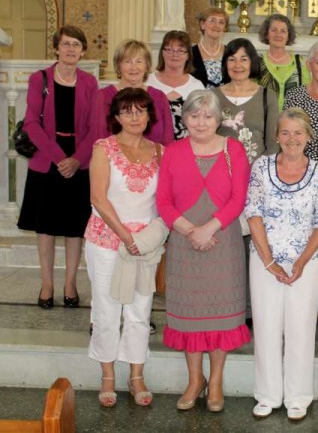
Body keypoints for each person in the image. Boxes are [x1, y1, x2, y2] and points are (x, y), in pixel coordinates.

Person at [156, 90, 250, 412]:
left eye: (207, 116)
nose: (200, 122)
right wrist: (190, 231)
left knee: (221, 319)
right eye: (194, 115)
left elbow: (239, 198)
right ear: (184, 118)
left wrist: (209, 228)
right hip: (184, 242)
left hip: (223, 241)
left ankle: (217, 382)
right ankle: (195, 380)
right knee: (190, 316)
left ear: (218, 119)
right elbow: (163, 202)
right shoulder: (172, 151)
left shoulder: (233, 150)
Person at [246, 108, 318, 421]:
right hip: (265, 262)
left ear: (308, 136)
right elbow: (253, 213)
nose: (291, 139)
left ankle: (298, 397)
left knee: (301, 329)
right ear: (277, 136)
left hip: (304, 265)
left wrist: (302, 261)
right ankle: (267, 395)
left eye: (298, 133)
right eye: (285, 132)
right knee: (267, 327)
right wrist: (269, 262)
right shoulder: (261, 166)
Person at [85, 88, 165, 408]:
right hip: (107, 241)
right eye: (127, 111)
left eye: (141, 111)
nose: (135, 117)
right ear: (116, 116)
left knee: (140, 311)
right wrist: (125, 237)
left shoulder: (161, 151)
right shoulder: (103, 149)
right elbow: (98, 198)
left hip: (145, 245)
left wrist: (144, 239)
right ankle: (107, 375)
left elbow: (165, 200)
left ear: (149, 115)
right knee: (106, 309)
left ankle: (136, 375)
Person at [18, 25, 98, 309]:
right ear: (56, 48)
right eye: (66, 44)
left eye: (76, 45)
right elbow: (31, 123)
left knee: (74, 229)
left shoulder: (89, 82)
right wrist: (58, 158)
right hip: (46, 161)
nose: (71, 49)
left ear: (83, 50)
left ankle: (70, 283)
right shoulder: (39, 79)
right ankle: (47, 283)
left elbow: (95, 127)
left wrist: (76, 159)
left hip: (79, 162)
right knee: (46, 228)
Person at [94, 39, 174, 145]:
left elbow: (168, 140)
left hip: (156, 159)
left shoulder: (159, 97)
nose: (134, 67)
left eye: (139, 61)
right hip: (114, 160)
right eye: (128, 61)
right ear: (118, 65)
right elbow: (99, 139)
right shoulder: (103, 96)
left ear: (147, 66)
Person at [215, 38, 279, 160]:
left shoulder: (267, 96)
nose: (237, 65)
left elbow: (273, 143)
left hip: (256, 172)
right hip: (220, 170)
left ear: (252, 63)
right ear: (225, 63)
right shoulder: (213, 96)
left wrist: (260, 172)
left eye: (243, 59)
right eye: (232, 59)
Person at [147, 30, 205, 140]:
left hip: (187, 147)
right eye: (169, 50)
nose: (174, 54)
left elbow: (202, 121)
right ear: (162, 53)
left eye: (181, 50)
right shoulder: (148, 82)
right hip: (152, 145)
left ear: (188, 55)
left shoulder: (196, 86)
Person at [258, 13, 311, 110]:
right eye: (274, 30)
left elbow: (307, 95)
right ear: (266, 34)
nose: (278, 34)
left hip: (293, 122)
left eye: (283, 31)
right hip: (263, 122)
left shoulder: (300, 63)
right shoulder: (257, 63)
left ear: (288, 36)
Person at [191, 6, 228, 88]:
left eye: (221, 22)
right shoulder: (190, 53)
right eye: (212, 20)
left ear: (224, 28)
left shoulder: (230, 52)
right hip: (198, 99)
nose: (217, 25)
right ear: (202, 24)